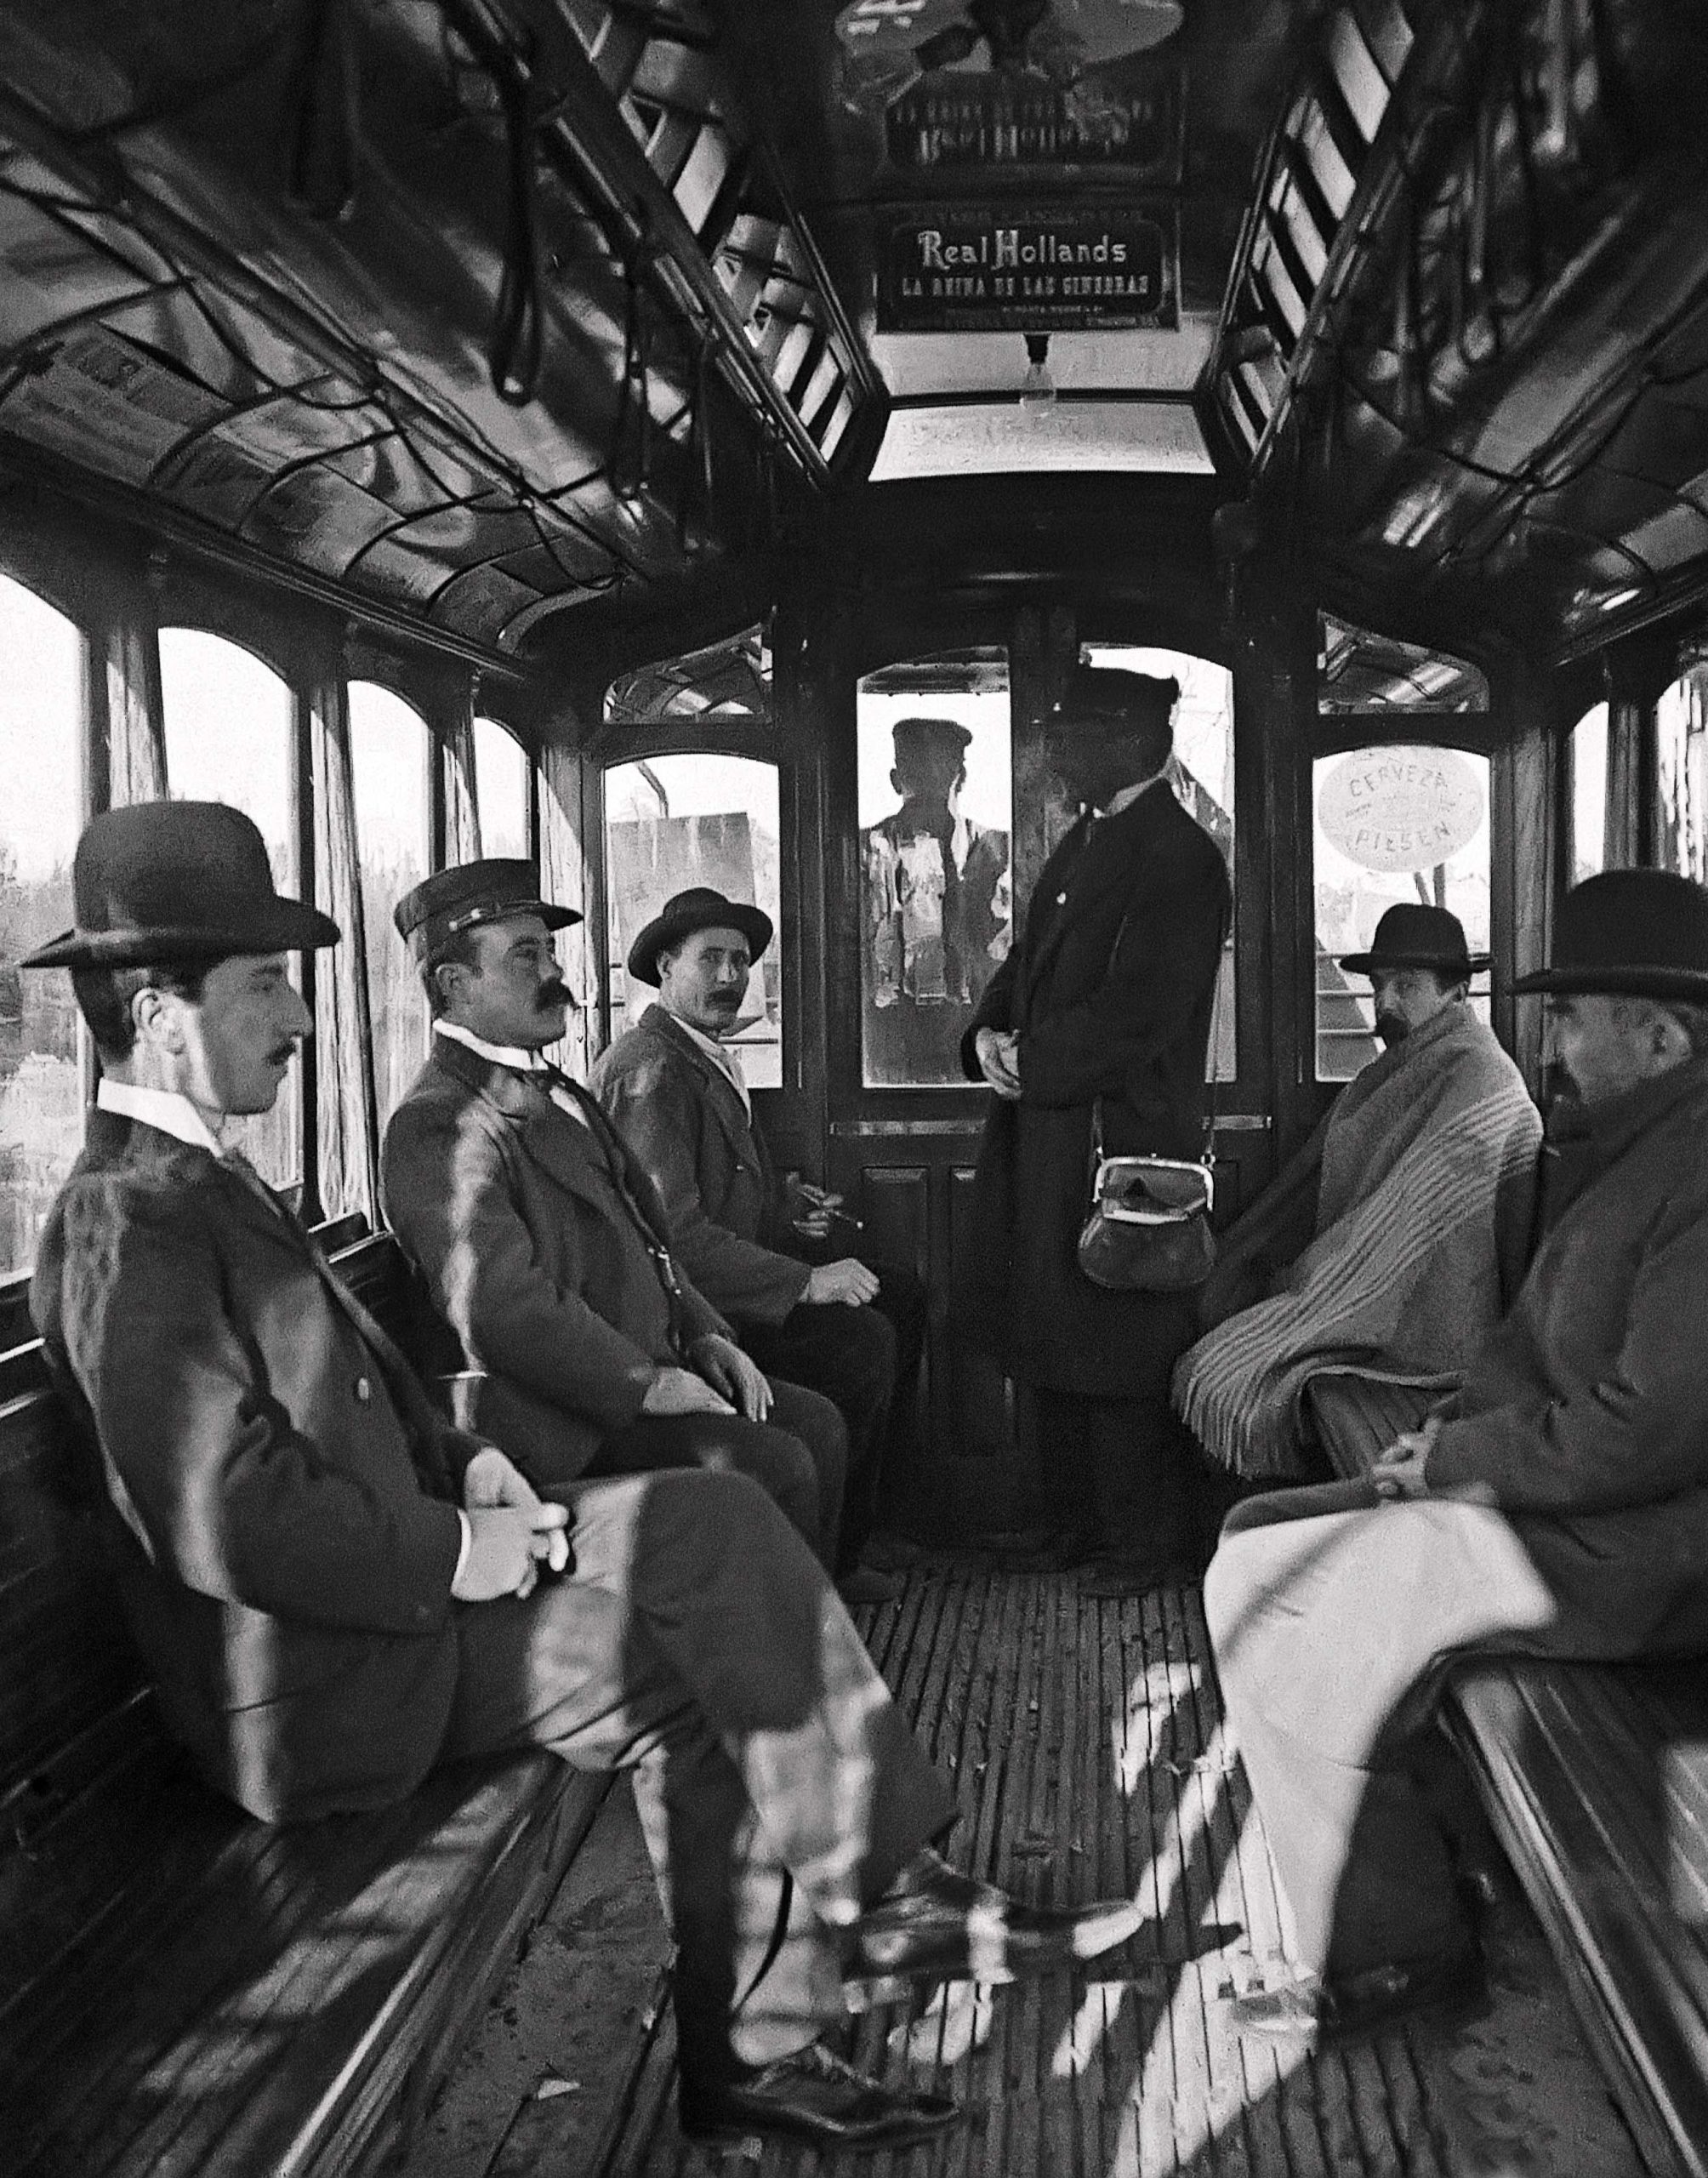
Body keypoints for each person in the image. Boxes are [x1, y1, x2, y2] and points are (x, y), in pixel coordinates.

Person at [26, 801, 1142, 2150]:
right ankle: (786, 2019)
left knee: (720, 1520)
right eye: (266, 987)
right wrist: (451, 1550)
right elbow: (225, 1514)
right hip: (316, 1684)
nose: (300, 1020)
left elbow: (344, 1395)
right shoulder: (122, 1219)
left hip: (394, 1589)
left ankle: (870, 1909)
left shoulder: (203, 1182)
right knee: (702, 1655)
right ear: (158, 1014)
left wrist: (468, 1465)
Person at [1204, 870, 1708, 2044]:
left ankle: (1392, 1949)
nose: (1555, 1039)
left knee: (1299, 1610)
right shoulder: (1643, 1151)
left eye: (1576, 1016)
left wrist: (1448, 1465)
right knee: (1251, 1553)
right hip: (1552, 1516)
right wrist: (1436, 1451)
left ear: (1656, 1033)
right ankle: (1420, 1868)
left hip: (1640, 1558)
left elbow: (1638, 1438)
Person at [377, 860, 853, 1582]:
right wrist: (646, 1384)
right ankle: (776, 1669)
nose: (552, 971)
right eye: (525, 955)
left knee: (815, 1424)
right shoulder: (438, 1123)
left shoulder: (554, 1089)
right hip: (560, 1415)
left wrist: (701, 1333)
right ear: (455, 984)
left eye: (549, 951)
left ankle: (807, 1646)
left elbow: (651, 1236)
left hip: (644, 1366)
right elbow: (504, 1309)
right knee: (779, 1458)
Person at [960, 664, 1233, 1596]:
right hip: (1051, 1131)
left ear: (1133, 741)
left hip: (1123, 1143)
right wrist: (987, 1034)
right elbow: (1023, 966)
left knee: (1118, 1342)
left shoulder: (1180, 857)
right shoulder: (1082, 841)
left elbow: (1140, 1014)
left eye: (1072, 737)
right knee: (1050, 1332)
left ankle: (1140, 1545)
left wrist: (1033, 1060)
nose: (1055, 753)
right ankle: (1066, 1525)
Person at [591, 887, 928, 1594]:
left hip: (731, 1287)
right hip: (698, 1318)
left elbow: (717, 1193)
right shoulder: (649, 1070)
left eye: (740, 962)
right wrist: (806, 1280)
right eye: (709, 959)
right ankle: (830, 1568)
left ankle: (869, 1532)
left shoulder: (696, 1054)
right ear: (663, 968)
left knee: (899, 1293)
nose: (729, 977)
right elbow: (672, 1234)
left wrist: (785, 1211)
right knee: (861, 1341)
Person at [1173, 904, 1540, 1483]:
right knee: (1219, 1303)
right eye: (1378, 987)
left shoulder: (1479, 1078)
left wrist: (1318, 1290)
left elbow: (1416, 1229)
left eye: (1406, 986)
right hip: (1382, 1290)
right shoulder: (1406, 1065)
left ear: (1457, 992)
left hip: (1440, 1334)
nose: (1386, 1003)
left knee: (1234, 1363)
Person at [863, 716, 1011, 1085]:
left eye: (942, 773)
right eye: (917, 775)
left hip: (971, 1045)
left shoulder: (996, 852)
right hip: (885, 1052)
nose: (931, 789)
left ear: (961, 777)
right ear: (896, 781)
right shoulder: (865, 851)